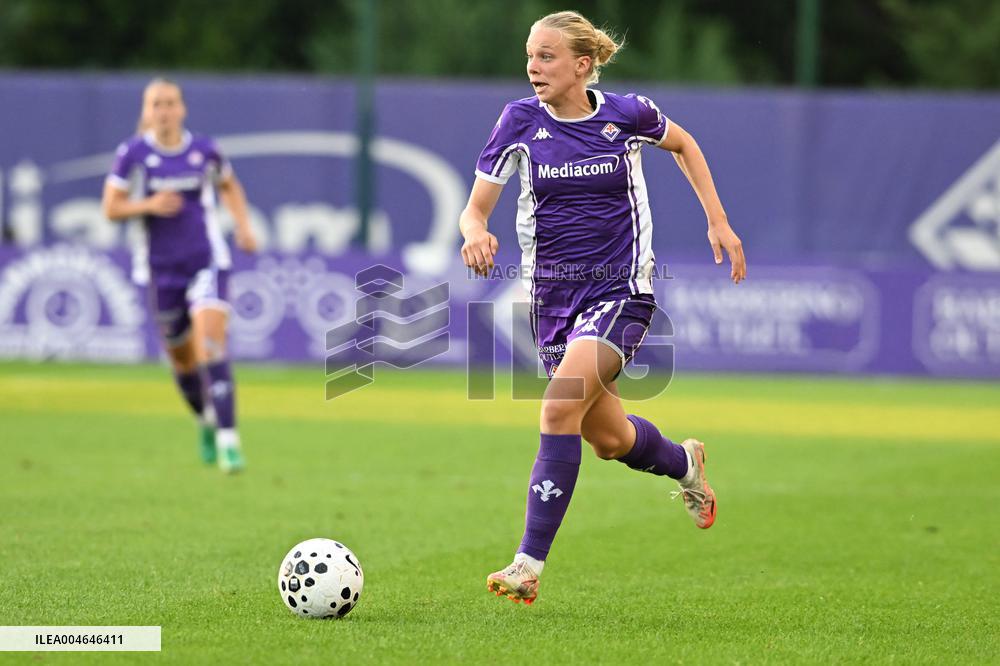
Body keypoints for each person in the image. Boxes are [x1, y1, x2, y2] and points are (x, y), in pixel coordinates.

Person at [459, 11, 746, 604]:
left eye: (547, 57)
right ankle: (686, 464)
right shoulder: (519, 122)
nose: (534, 68)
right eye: (530, 56)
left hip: (621, 294)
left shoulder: (627, 115)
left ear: (582, 65)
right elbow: (475, 208)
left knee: (558, 407)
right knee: (610, 440)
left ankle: (527, 566)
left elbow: (684, 144)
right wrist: (474, 231)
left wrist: (717, 220)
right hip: (552, 303)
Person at [101, 78, 257, 474]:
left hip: (207, 261)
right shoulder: (133, 154)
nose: (164, 110)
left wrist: (243, 226)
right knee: (183, 362)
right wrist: (149, 203)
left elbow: (229, 186)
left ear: (182, 109)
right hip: (160, 270)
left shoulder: (204, 150)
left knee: (210, 345)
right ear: (146, 111)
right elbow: (111, 208)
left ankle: (229, 441)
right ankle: (205, 421)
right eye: (156, 104)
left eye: (170, 103)